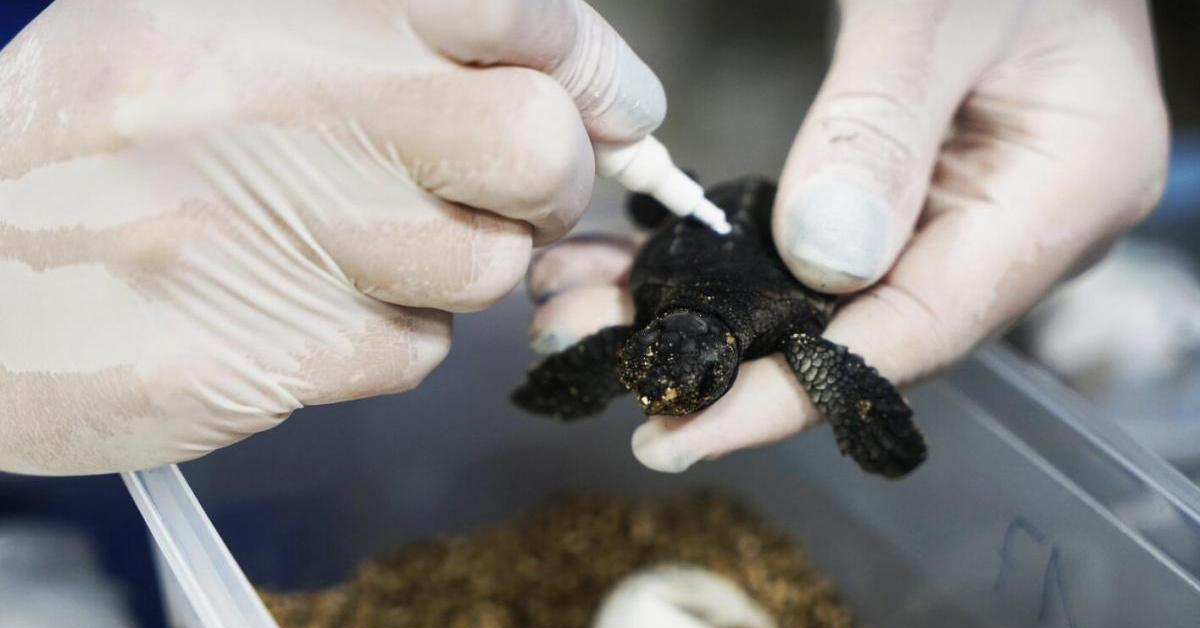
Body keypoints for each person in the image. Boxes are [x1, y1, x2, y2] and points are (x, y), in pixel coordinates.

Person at [0, 0, 1167, 476]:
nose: (666, 386)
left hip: (737, 162)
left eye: (680, 381)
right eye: (681, 380)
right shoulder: (679, 321)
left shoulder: (756, 328)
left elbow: (777, 321)